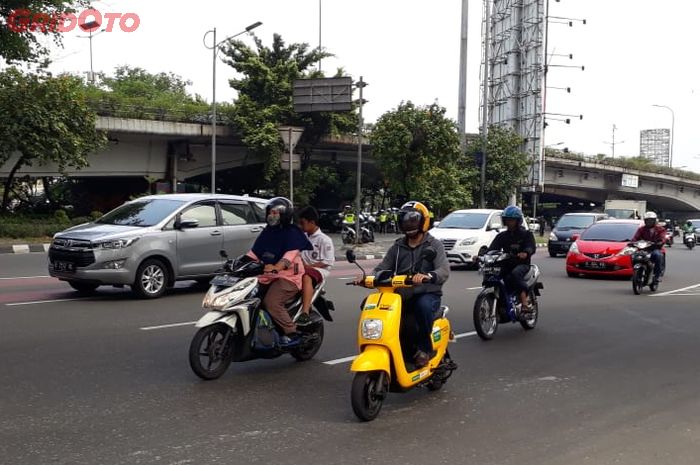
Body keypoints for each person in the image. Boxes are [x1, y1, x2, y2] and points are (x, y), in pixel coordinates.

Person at [356, 201, 449, 368]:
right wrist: (368, 278)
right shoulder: (397, 247)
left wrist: (428, 275)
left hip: (426, 293)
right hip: (401, 294)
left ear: (423, 221)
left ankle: (424, 349)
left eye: (413, 220)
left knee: (423, 306)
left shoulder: (434, 245)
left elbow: (443, 270)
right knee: (369, 305)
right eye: (405, 220)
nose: (408, 224)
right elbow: (382, 268)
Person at [246, 197, 312, 345]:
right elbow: (253, 253)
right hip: (267, 276)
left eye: (276, 212)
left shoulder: (293, 233)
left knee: (271, 302)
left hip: (288, 278)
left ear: (284, 215)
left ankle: (292, 332)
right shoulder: (268, 232)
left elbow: (288, 258)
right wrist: (236, 263)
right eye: (270, 212)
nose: (272, 215)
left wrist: (276, 267)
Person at [484, 206, 537, 314]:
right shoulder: (502, 236)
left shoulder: (526, 234)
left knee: (515, 274)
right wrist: (482, 255)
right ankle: (499, 301)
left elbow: (531, 246)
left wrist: (525, 252)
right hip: (506, 263)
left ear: (518, 221)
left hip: (522, 264)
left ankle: (525, 303)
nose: (509, 222)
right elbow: (492, 249)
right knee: (491, 273)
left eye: (512, 220)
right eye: (507, 219)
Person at [296, 206, 335, 326]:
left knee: (306, 277)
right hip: (304, 268)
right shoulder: (302, 237)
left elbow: (327, 261)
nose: (300, 227)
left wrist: (308, 267)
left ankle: (305, 312)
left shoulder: (324, 240)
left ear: (312, 222)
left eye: (303, 223)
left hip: (319, 269)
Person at [632, 211, 666, 284]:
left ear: (654, 221)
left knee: (658, 256)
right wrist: (632, 242)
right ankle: (636, 272)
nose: (649, 222)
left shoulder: (660, 229)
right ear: (645, 221)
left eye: (651, 220)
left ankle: (657, 276)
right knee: (633, 255)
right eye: (647, 220)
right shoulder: (641, 229)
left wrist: (660, 242)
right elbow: (635, 238)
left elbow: (663, 238)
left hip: (655, 248)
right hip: (643, 249)